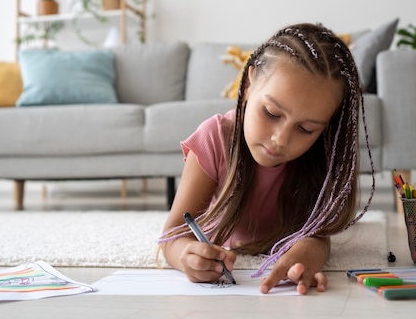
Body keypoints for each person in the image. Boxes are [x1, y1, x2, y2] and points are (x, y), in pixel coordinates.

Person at [158, 23, 374, 295]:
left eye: (306, 129)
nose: (281, 140)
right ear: (248, 84)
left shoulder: (321, 154)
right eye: (272, 113)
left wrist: (310, 252)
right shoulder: (214, 138)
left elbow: (318, 235)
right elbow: (173, 236)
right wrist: (186, 257)